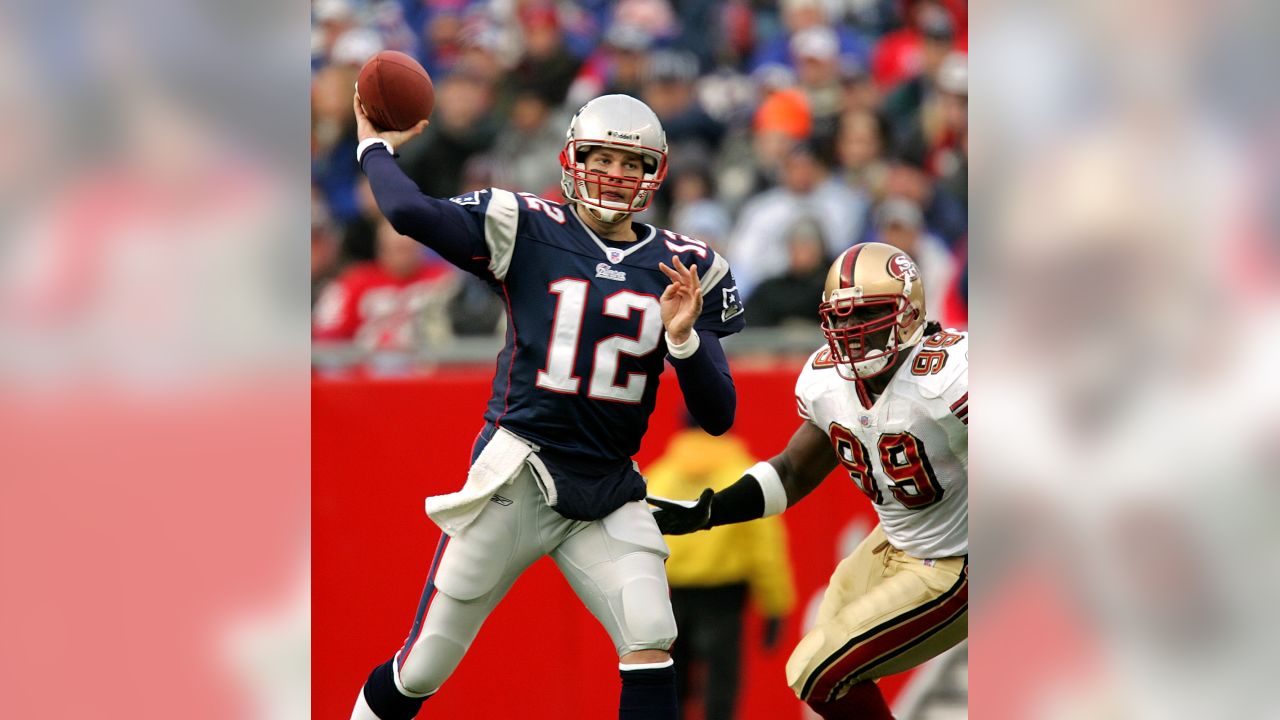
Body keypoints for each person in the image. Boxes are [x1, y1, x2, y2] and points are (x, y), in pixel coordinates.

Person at [348, 93, 747, 720]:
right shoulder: (526, 224)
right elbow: (405, 211)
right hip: (521, 471)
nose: (616, 173)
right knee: (423, 664)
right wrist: (376, 147)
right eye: (603, 156)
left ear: (655, 174)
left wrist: (683, 338)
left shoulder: (686, 265)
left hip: (608, 488)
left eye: (632, 162)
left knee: (650, 636)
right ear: (572, 156)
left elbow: (719, 414)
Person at [650, 242, 967, 719]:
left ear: (909, 314)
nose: (850, 331)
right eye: (839, 318)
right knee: (829, 648)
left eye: (867, 314)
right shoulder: (827, 383)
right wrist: (713, 510)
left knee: (817, 670)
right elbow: (794, 470)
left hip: (957, 557)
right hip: (895, 541)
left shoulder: (951, 376)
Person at [643, 424, 797, 720]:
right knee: (720, 691)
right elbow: (764, 548)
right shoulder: (742, 475)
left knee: (670, 687)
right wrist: (774, 605)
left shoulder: (661, 475)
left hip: (671, 597)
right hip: (725, 599)